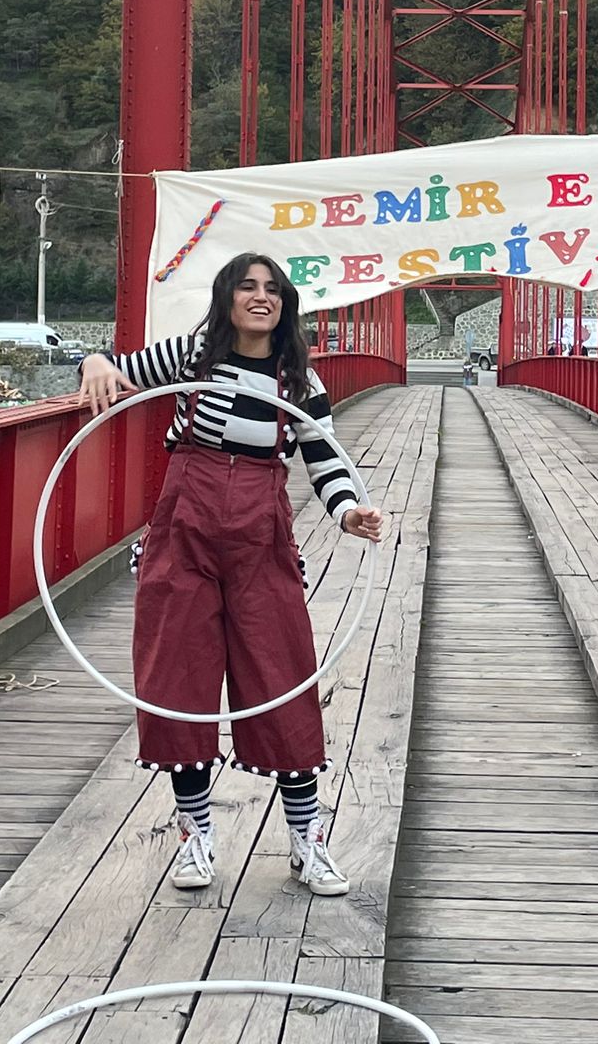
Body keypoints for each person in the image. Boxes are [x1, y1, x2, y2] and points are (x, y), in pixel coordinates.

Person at [77, 253, 385, 897]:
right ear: (227, 297)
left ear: (287, 303)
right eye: (247, 287)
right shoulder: (193, 357)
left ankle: (307, 840)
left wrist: (349, 510)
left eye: (273, 289)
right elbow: (116, 367)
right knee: (176, 682)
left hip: (259, 541)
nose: (260, 297)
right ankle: (194, 840)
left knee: (283, 677)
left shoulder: (301, 383)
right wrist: (94, 362)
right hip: (182, 536)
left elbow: (325, 459)